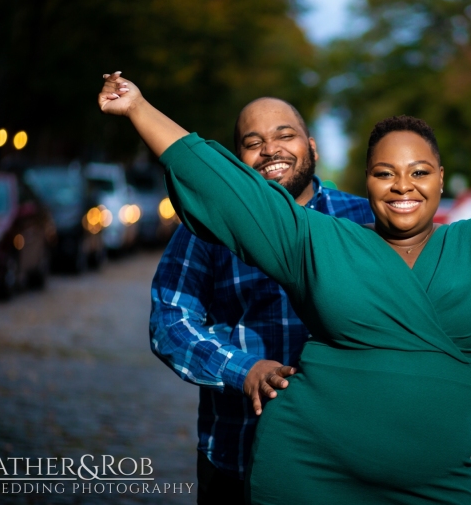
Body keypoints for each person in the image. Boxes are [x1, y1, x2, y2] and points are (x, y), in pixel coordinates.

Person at [98, 71, 471, 504]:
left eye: (418, 172)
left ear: (441, 181)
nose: (402, 185)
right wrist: (139, 108)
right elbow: (230, 193)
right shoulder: (318, 239)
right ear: (367, 181)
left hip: (434, 487)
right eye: (385, 172)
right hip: (305, 474)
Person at [149, 96, 374, 504]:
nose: (270, 149)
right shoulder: (208, 225)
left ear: (313, 147)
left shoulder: (364, 219)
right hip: (237, 458)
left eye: (284, 135)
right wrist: (243, 370)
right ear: (237, 161)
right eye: (253, 143)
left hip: (346, 461)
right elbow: (170, 321)